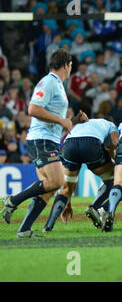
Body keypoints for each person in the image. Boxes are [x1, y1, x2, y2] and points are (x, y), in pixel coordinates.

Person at [1, 49, 87, 237]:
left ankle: (24, 229)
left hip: (49, 140)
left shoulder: (56, 85)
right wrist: (61, 120)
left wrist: (75, 121)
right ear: (66, 65)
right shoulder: (49, 82)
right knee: (56, 181)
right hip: (42, 140)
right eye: (71, 65)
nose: (71, 68)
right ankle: (12, 201)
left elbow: (58, 120)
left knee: (48, 187)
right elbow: (33, 109)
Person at [42, 118, 119, 232]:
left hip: (69, 144)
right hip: (90, 143)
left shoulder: (87, 124)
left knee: (67, 188)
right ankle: (94, 207)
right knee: (113, 180)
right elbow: (114, 143)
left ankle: (48, 226)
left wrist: (68, 203)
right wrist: (115, 159)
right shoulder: (112, 126)